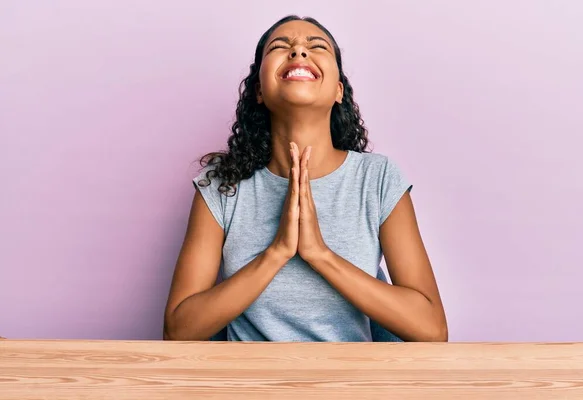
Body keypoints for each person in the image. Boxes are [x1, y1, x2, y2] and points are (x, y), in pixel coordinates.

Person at [163, 15, 448, 342]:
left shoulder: (378, 180)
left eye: (317, 47)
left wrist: (319, 254)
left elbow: (432, 329)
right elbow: (178, 330)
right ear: (259, 90)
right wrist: (278, 252)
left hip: (350, 386)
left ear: (338, 90)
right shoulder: (220, 184)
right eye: (280, 46)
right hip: (247, 386)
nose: (299, 51)